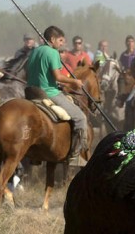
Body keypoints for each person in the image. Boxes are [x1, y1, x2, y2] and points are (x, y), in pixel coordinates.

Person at [26, 25, 88, 161]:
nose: (62, 44)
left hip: (31, 92)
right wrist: (74, 82)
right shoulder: (52, 52)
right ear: (52, 39)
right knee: (80, 118)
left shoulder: (35, 51)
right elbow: (58, 76)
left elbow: (33, 73)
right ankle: (76, 156)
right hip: (48, 93)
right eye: (60, 41)